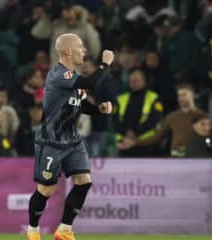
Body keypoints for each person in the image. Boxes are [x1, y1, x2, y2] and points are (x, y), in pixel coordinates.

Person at [26, 33, 114, 240]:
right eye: (80, 46)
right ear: (67, 51)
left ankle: (64, 230)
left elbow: (80, 105)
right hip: (51, 141)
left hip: (72, 140)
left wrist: (98, 109)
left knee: (83, 181)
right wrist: (104, 64)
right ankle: (33, 230)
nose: (84, 50)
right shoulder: (59, 75)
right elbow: (92, 82)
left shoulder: (72, 80)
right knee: (46, 190)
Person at [118, 83, 206, 157]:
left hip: (196, 156)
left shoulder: (202, 116)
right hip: (176, 158)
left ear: (193, 95)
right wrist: (135, 142)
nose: (181, 98)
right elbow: (157, 137)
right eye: (179, 95)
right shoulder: (172, 117)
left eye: (184, 94)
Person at [113, 68, 164, 157]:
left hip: (147, 145)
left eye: (136, 80)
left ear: (144, 81)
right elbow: (115, 120)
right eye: (131, 80)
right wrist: (126, 132)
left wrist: (135, 133)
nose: (132, 83)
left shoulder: (154, 98)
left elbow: (154, 119)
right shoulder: (121, 99)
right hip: (125, 144)